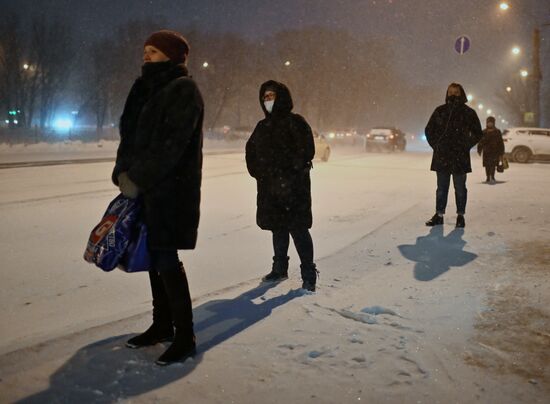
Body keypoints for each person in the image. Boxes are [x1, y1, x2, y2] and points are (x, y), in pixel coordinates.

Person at [112, 30, 204, 366]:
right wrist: (123, 172)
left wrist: (138, 177)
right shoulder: (143, 87)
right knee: (153, 258)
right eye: (145, 49)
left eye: (153, 51)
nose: (146, 55)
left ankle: (185, 335)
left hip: (171, 190)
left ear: (171, 55)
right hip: (143, 189)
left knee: (166, 259)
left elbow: (171, 146)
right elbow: (129, 138)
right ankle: (162, 324)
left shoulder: (183, 90)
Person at [245, 80, 319, 291]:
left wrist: (288, 172)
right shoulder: (263, 126)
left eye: (271, 96)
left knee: (298, 230)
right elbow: (251, 152)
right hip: (270, 189)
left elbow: (306, 151)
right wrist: (260, 173)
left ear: (282, 97)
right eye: (265, 97)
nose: (268, 101)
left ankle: (308, 272)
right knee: (277, 228)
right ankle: (279, 267)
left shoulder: (296, 122)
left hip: (294, 189)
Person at [424, 83, 483, 228]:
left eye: (456, 92)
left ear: (461, 93)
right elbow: (429, 130)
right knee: (441, 188)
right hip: (442, 156)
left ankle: (460, 216)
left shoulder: (468, 113)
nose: (453, 95)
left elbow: (478, 133)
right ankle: (439, 215)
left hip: (460, 157)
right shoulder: (440, 111)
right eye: (450, 92)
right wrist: (436, 146)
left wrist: (465, 145)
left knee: (460, 188)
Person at [477, 116, 505, 184]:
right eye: (489, 123)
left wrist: (502, 152)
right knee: (487, 165)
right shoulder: (484, 132)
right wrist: (479, 149)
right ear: (487, 123)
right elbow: (480, 142)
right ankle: (487, 177)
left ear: (493, 123)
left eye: (491, 123)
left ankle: (492, 176)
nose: (490, 124)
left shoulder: (497, 131)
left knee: (493, 164)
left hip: (495, 152)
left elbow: (500, 142)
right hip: (486, 151)